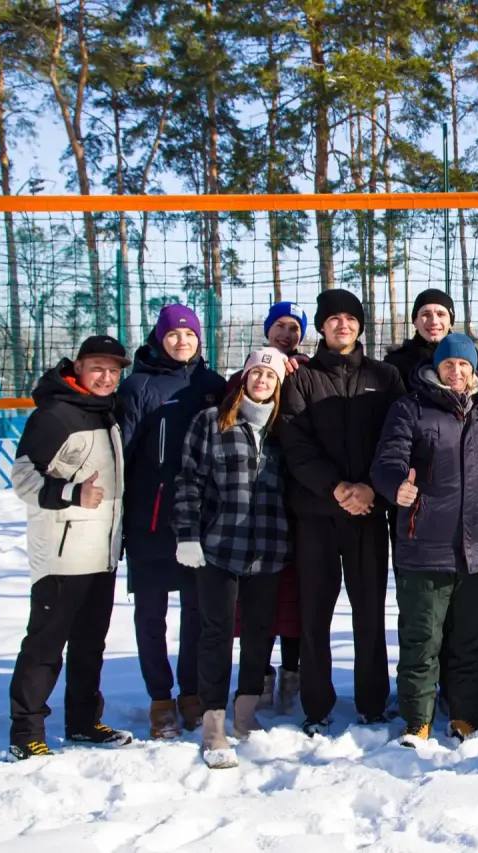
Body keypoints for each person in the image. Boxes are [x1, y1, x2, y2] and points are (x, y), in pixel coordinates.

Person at [280, 288, 405, 736]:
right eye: (334, 318)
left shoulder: (384, 376)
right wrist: (336, 488)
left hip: (368, 514)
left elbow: (396, 440)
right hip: (316, 515)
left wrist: (371, 488)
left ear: (360, 325)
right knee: (315, 613)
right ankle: (316, 705)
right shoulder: (302, 378)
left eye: (351, 318)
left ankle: (372, 701)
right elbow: (295, 443)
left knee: (369, 611)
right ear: (321, 326)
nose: (343, 325)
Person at [8, 335, 134, 760]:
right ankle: (26, 733)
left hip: (101, 553)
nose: (106, 377)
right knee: (45, 646)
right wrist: (71, 493)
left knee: (89, 645)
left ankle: (83, 722)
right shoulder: (55, 415)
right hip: (62, 556)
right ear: (77, 367)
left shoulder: (105, 411)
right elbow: (23, 478)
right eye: (98, 368)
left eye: (113, 371)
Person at [371, 333, 478, 747]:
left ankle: (465, 717)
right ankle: (417, 721)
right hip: (424, 543)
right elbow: (388, 459)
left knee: (470, 641)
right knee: (422, 639)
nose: (456, 371)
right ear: (436, 367)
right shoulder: (411, 408)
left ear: (473, 370)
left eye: (464, 365)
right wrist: (396, 486)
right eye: (449, 364)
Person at [174, 347, 291, 768]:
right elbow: (188, 480)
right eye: (256, 372)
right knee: (217, 632)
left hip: (269, 547)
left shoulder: (282, 430)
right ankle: (214, 721)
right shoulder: (212, 421)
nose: (262, 380)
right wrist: (187, 534)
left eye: (270, 376)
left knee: (260, 631)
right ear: (244, 378)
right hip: (220, 546)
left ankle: (245, 712)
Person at [118, 304, 226, 739]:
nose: (182, 341)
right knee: (151, 614)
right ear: (159, 338)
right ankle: (160, 699)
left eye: (190, 334)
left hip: (199, 519)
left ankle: (192, 693)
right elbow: (122, 456)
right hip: (150, 519)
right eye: (173, 334)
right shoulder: (138, 387)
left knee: (198, 612)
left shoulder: (211, 385)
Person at [227, 301, 308, 715]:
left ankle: (293, 671)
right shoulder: (247, 375)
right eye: (280, 325)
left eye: (294, 327)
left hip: (295, 505)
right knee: (253, 603)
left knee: (294, 598)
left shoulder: (305, 372)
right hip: (249, 511)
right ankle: (258, 675)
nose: (286, 334)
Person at [385, 288, 458, 388]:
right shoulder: (395, 364)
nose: (434, 321)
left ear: (451, 322)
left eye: (441, 314)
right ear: (415, 321)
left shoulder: (471, 360)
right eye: (426, 315)